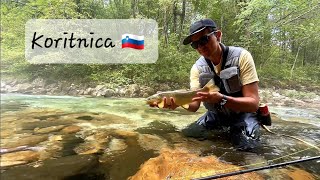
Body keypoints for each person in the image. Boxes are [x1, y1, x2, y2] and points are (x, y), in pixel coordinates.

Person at [152, 18, 261, 151]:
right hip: (216, 116)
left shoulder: (242, 57)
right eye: (195, 44)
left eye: (204, 40)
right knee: (187, 136)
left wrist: (222, 99)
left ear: (218, 35)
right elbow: (194, 106)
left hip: (243, 114)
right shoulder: (197, 68)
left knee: (247, 147)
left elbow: (254, 103)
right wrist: (177, 102)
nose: (200, 47)